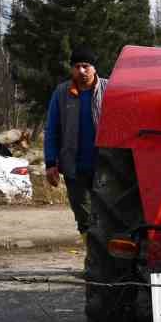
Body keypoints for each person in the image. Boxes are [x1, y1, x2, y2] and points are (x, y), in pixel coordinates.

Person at [43, 47, 106, 236]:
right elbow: (52, 129)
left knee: (105, 217)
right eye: (77, 67)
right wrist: (50, 163)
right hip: (74, 168)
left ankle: (105, 261)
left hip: (105, 169)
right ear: (72, 69)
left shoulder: (109, 90)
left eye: (86, 66)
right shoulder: (62, 93)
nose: (81, 71)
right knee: (84, 217)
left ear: (94, 68)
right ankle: (92, 257)